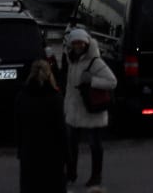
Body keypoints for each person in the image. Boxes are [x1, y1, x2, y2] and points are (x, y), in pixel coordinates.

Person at [63, 28, 116, 187]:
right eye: (75, 43)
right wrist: (65, 108)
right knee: (71, 145)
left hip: (92, 110)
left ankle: (96, 176)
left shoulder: (95, 61)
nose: (78, 45)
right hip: (74, 110)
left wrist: (92, 80)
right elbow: (70, 88)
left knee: (95, 145)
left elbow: (112, 82)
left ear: (86, 43)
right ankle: (71, 173)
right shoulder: (71, 60)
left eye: (81, 42)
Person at [15, 59, 67, 193]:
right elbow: (61, 130)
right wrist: (69, 159)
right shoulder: (55, 97)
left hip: (30, 153)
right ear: (50, 74)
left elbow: (19, 127)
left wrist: (20, 151)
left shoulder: (22, 96)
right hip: (52, 154)